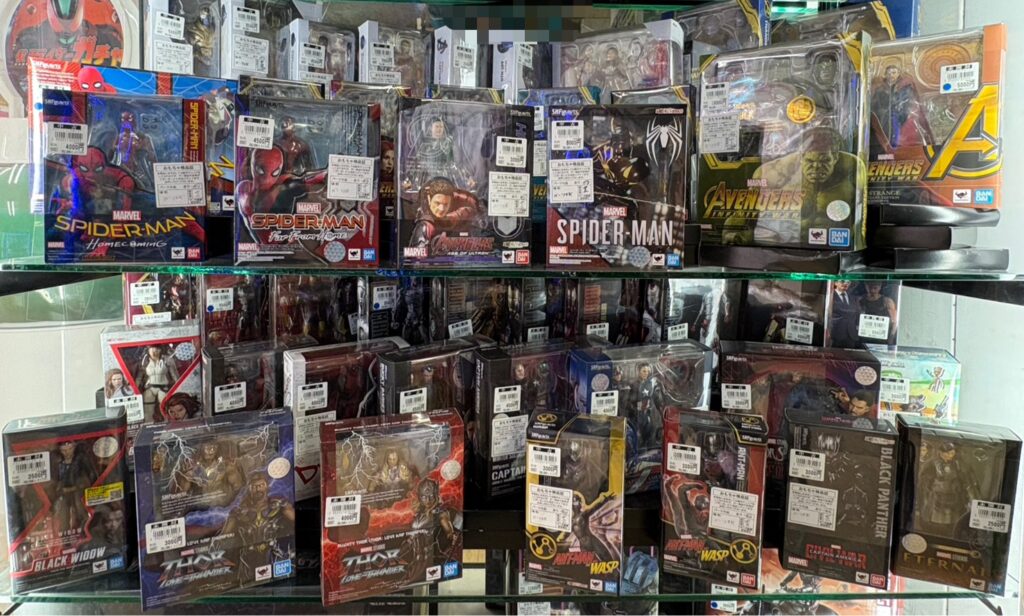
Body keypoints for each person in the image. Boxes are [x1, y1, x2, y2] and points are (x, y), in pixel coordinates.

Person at [828, 281, 860, 348]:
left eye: (848, 282)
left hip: (851, 335)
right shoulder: (829, 296)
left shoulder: (853, 297)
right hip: (834, 336)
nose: (845, 284)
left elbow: (857, 314)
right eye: (842, 281)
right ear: (835, 283)